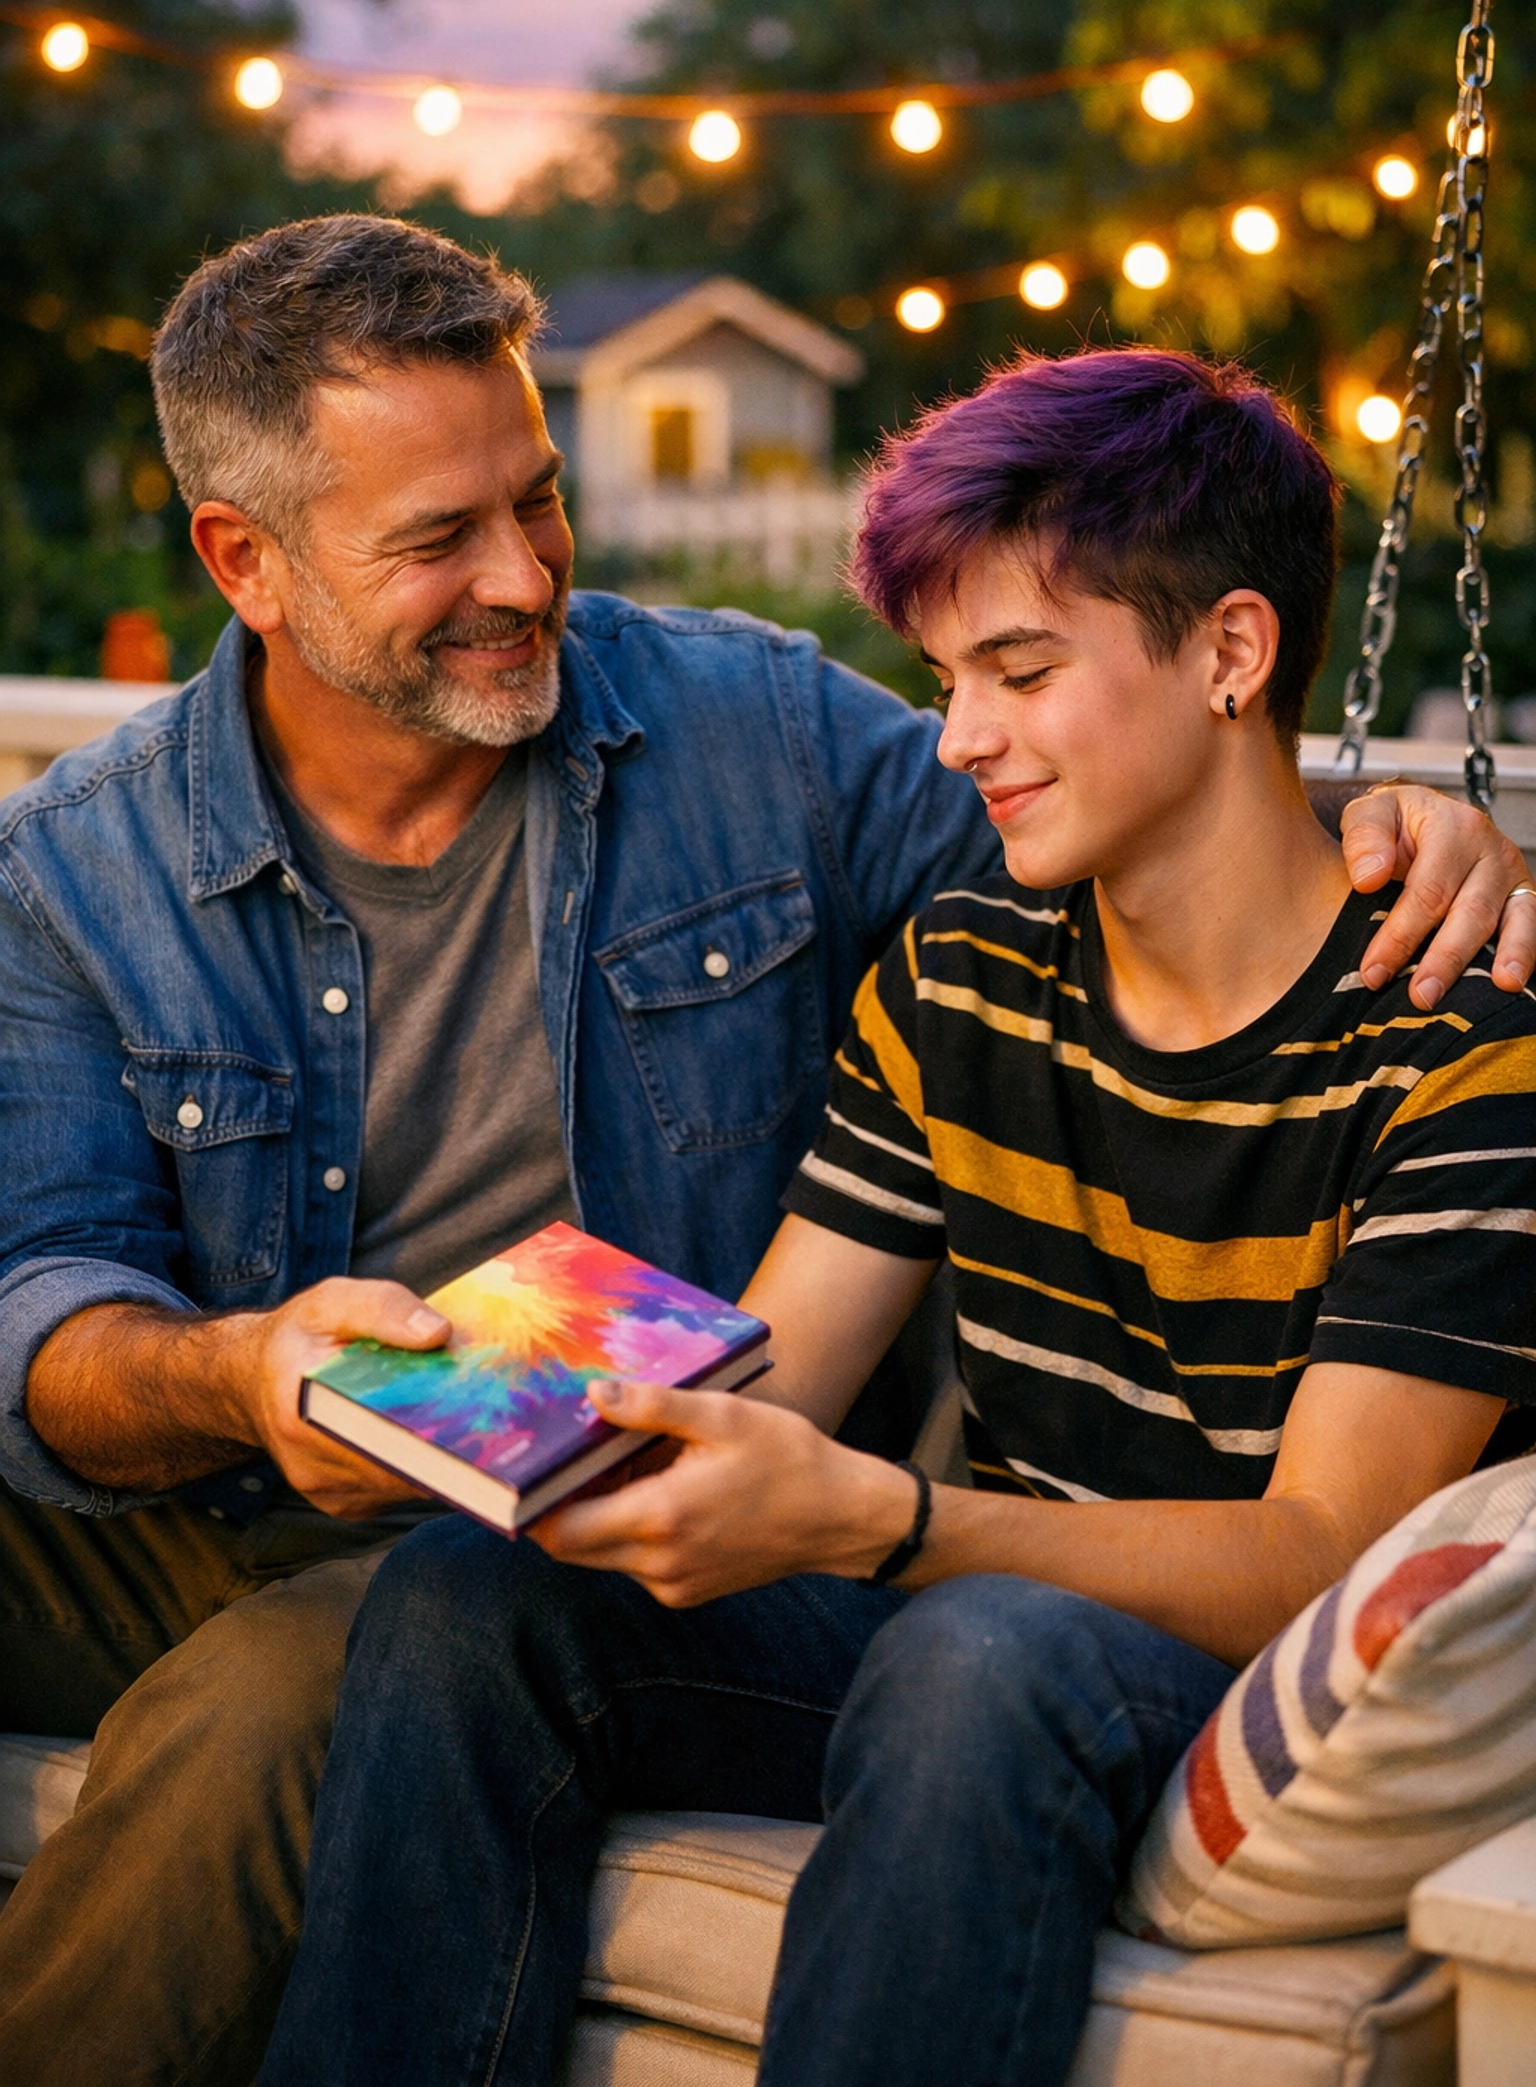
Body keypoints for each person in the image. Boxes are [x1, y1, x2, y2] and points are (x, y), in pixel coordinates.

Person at [0, 225, 1517, 2087]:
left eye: (539, 501)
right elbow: (757, 1357)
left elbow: (1222, 870)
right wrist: (427, 1409)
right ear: (247, 561)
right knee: (474, 1602)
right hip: (265, 1491)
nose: (958, 740)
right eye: (436, 539)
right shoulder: (91, 865)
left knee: (976, 1652)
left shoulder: (783, 747)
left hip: (1058, 1623)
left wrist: (1420, 832)